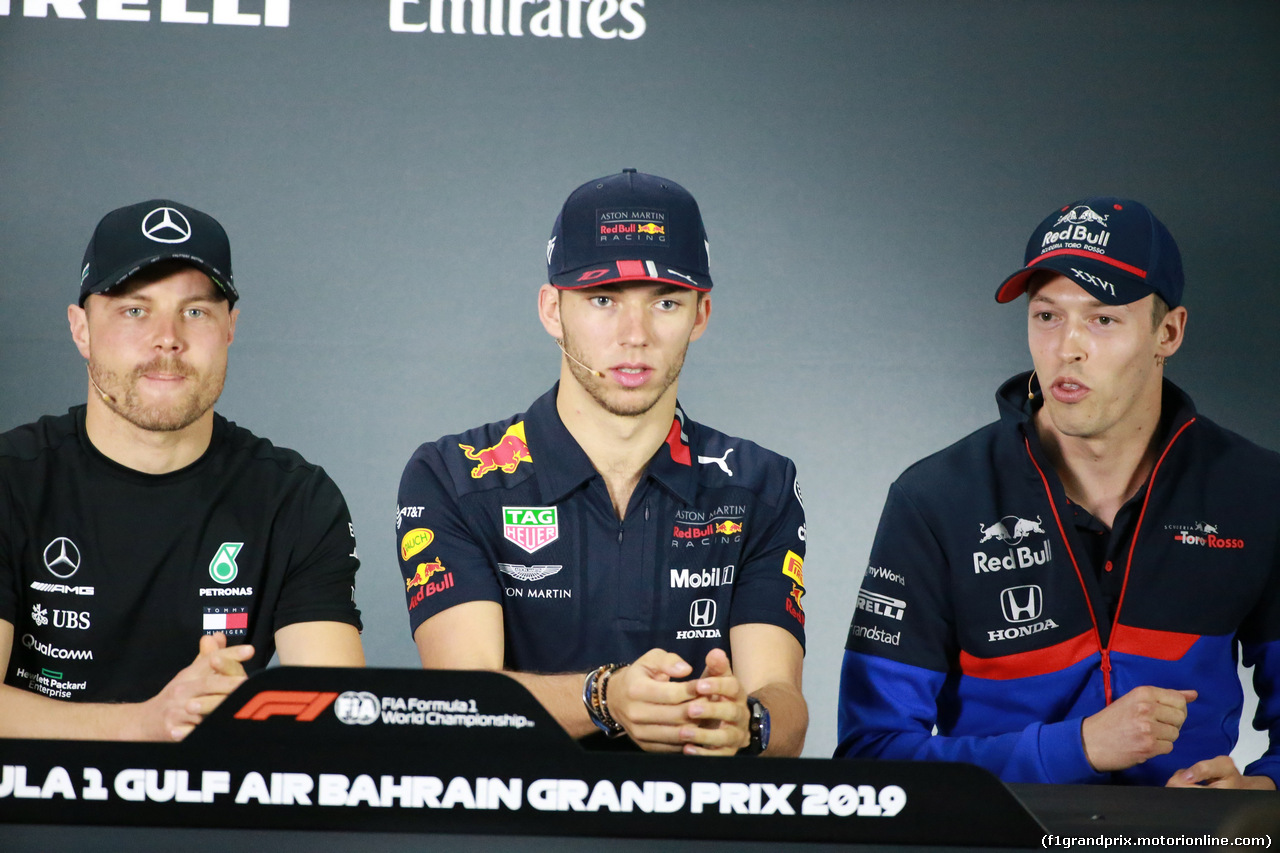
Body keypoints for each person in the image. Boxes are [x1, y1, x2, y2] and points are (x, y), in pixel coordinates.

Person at [836, 197, 1279, 788]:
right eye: (1047, 316)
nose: (1067, 347)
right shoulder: (936, 499)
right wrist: (1079, 747)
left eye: (1103, 319)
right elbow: (871, 756)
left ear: (1167, 333)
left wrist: (1263, 794)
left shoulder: (1256, 492)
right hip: (999, 842)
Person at [397, 170, 807, 756]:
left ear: (701, 314)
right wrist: (606, 698)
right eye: (602, 299)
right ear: (551, 309)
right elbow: (464, 706)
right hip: (516, 836)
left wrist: (749, 724)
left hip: (694, 835)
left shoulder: (760, 484)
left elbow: (782, 702)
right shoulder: (454, 475)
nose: (633, 335)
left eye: (665, 301)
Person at [0, 199, 365, 741]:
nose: (167, 337)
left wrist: (245, 712)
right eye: (134, 310)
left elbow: (342, 714)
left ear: (230, 328)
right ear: (80, 329)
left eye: (195, 311)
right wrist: (144, 723)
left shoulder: (295, 498)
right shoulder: (12, 480)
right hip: (35, 818)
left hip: (221, 817)